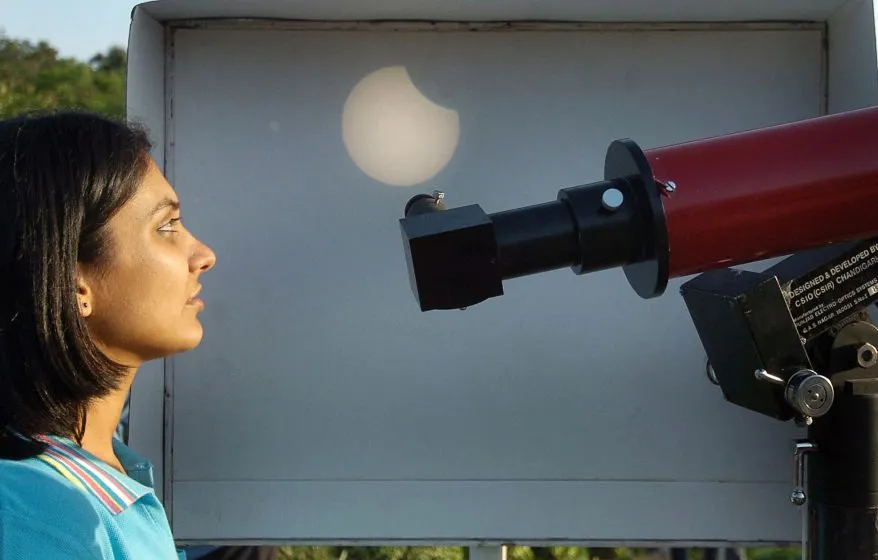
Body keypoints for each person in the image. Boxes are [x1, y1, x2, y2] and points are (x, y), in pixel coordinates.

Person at [0, 111, 217, 558]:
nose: (203, 255)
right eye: (166, 227)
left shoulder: (102, 473)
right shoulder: (37, 516)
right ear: (74, 281)